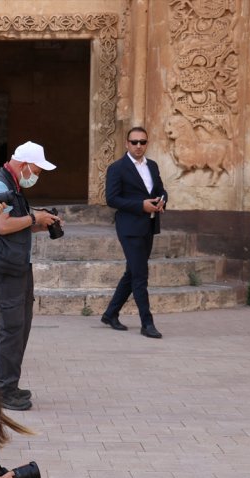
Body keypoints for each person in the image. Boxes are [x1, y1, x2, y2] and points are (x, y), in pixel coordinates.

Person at [0, 142, 60, 411]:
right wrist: (33, 217)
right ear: (24, 164)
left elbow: (18, 225)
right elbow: (3, 226)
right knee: (12, 328)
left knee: (20, 327)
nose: (36, 176)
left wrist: (42, 223)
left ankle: (10, 384)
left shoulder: (13, 186)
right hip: (6, 269)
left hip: (18, 266)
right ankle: (2, 388)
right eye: (37, 170)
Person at [101, 127, 168, 339]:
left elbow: (160, 190)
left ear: (147, 143)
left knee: (133, 272)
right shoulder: (117, 168)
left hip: (148, 226)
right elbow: (112, 199)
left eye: (142, 142)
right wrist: (141, 206)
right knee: (140, 275)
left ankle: (110, 313)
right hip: (129, 227)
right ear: (127, 143)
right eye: (134, 142)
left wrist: (162, 200)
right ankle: (147, 323)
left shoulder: (153, 166)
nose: (138, 146)